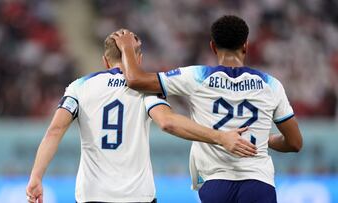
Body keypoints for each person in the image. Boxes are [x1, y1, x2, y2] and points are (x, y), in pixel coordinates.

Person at [25, 30, 257, 203]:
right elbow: (167, 122)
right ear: (139, 60)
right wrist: (220, 137)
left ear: (106, 61)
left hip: (92, 194)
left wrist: (36, 177)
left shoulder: (80, 86)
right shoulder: (145, 87)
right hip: (138, 195)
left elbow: (54, 131)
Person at [112, 15, 303, 203]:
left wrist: (127, 48)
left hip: (216, 184)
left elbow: (135, 80)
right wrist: (265, 140)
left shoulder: (196, 76)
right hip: (260, 183)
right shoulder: (271, 84)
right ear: (245, 45)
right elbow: (294, 143)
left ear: (212, 46)